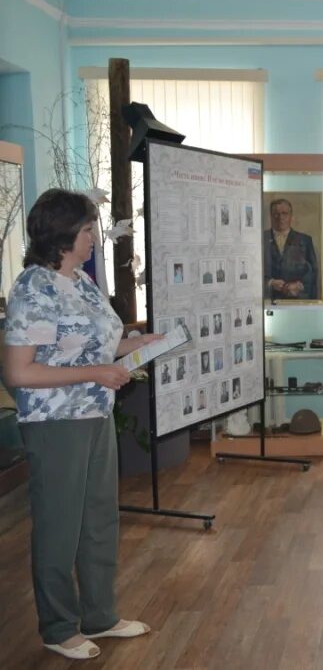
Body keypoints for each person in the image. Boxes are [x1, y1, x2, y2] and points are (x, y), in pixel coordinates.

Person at [3, 189, 157, 660]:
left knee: (98, 519)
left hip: (96, 413)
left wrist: (142, 343)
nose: (94, 237)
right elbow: (19, 372)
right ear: (64, 233)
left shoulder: (82, 283)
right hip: (55, 423)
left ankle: (100, 615)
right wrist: (96, 372)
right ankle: (58, 626)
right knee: (59, 525)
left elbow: (100, 347)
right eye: (88, 229)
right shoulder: (33, 289)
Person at [264, 197, 319, 300]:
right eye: (276, 214)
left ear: (291, 216)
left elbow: (313, 273)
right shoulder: (261, 238)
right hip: (268, 302)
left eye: (285, 213)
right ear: (271, 216)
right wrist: (270, 283)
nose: (280, 218)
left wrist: (300, 286)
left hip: (297, 302)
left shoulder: (306, 240)